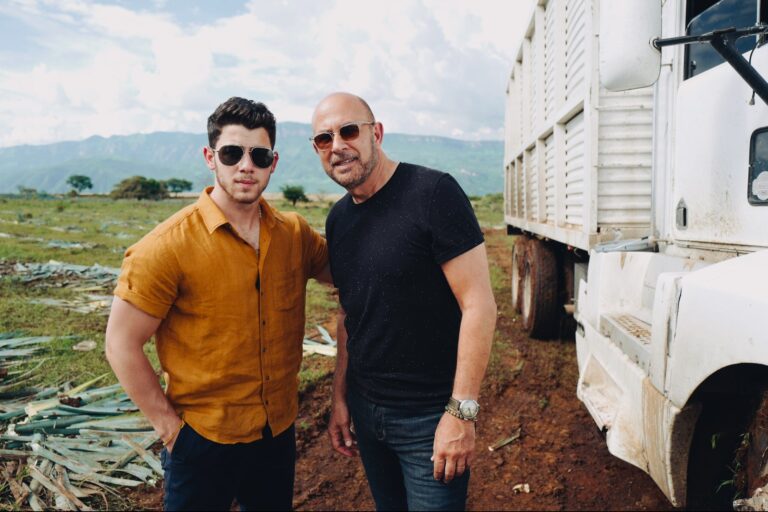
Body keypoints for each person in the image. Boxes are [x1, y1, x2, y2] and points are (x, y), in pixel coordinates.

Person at [105, 97, 330, 511]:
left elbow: (353, 273)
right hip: (202, 441)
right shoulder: (166, 247)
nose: (246, 166)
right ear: (211, 157)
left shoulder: (294, 235)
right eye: (232, 153)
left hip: (276, 435)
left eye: (258, 155)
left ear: (273, 163)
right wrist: (171, 431)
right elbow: (120, 343)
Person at [311, 92, 497, 511]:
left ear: (375, 133)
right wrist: (340, 398)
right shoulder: (338, 218)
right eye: (324, 138)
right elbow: (347, 313)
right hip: (367, 411)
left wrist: (461, 413)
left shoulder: (433, 193)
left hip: (429, 417)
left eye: (349, 131)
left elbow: (479, 305)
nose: (338, 145)